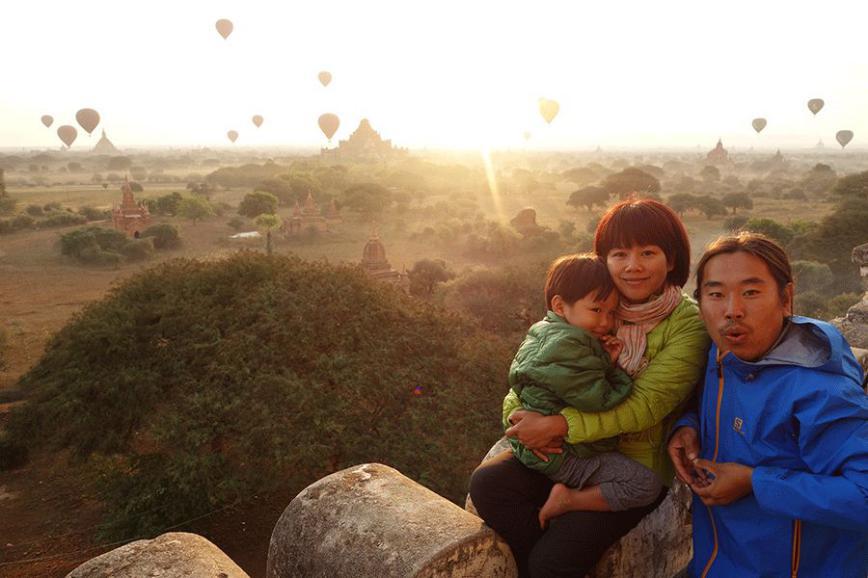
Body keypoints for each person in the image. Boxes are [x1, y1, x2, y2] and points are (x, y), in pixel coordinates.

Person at [470, 199, 710, 577]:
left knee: (553, 560)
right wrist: (518, 418)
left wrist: (558, 425)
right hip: (567, 452)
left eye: (648, 252)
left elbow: (643, 406)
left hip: (628, 464)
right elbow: (536, 370)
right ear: (603, 260)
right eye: (619, 254)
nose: (633, 266)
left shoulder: (688, 325)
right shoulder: (591, 305)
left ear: (673, 258)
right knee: (488, 484)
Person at [667, 233, 867, 578]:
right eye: (715, 294)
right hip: (715, 560)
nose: (732, 311)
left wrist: (755, 482)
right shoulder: (721, 352)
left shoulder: (818, 389)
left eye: (751, 292)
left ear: (786, 298)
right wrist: (688, 424)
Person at [507, 254, 662, 530]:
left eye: (612, 313)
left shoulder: (542, 332)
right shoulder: (570, 345)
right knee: (645, 484)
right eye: (596, 310)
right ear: (560, 305)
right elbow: (599, 399)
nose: (605, 322)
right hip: (563, 453)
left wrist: (603, 360)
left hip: (535, 447)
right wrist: (616, 372)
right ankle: (569, 499)